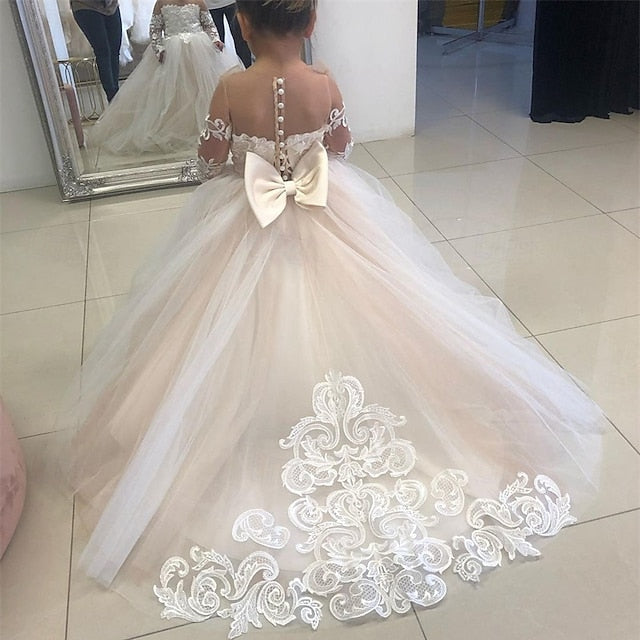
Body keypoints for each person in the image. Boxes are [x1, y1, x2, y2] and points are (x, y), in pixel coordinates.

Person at [67, 1, 604, 636]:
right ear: (312, 24)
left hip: (243, 217)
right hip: (327, 212)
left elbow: (210, 158)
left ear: (243, 25)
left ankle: (254, 416)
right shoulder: (324, 83)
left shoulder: (230, 86)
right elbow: (341, 147)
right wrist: (306, 154)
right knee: (379, 310)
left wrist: (244, 158)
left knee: (217, 328)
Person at [88, 0, 242, 155]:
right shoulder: (161, 3)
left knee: (200, 88)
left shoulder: (199, 1)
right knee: (174, 89)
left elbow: (208, 24)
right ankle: (178, 125)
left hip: (199, 49)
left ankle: (206, 124)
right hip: (172, 52)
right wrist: (158, 48)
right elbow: (155, 29)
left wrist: (214, 39)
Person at [71, 0, 122, 101]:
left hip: (111, 6)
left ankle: (115, 94)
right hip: (85, 5)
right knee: (103, 51)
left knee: (114, 50)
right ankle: (112, 96)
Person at [206, 0, 252, 67]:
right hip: (210, 6)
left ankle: (247, 67)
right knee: (216, 43)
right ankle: (220, 69)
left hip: (231, 3)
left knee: (241, 38)